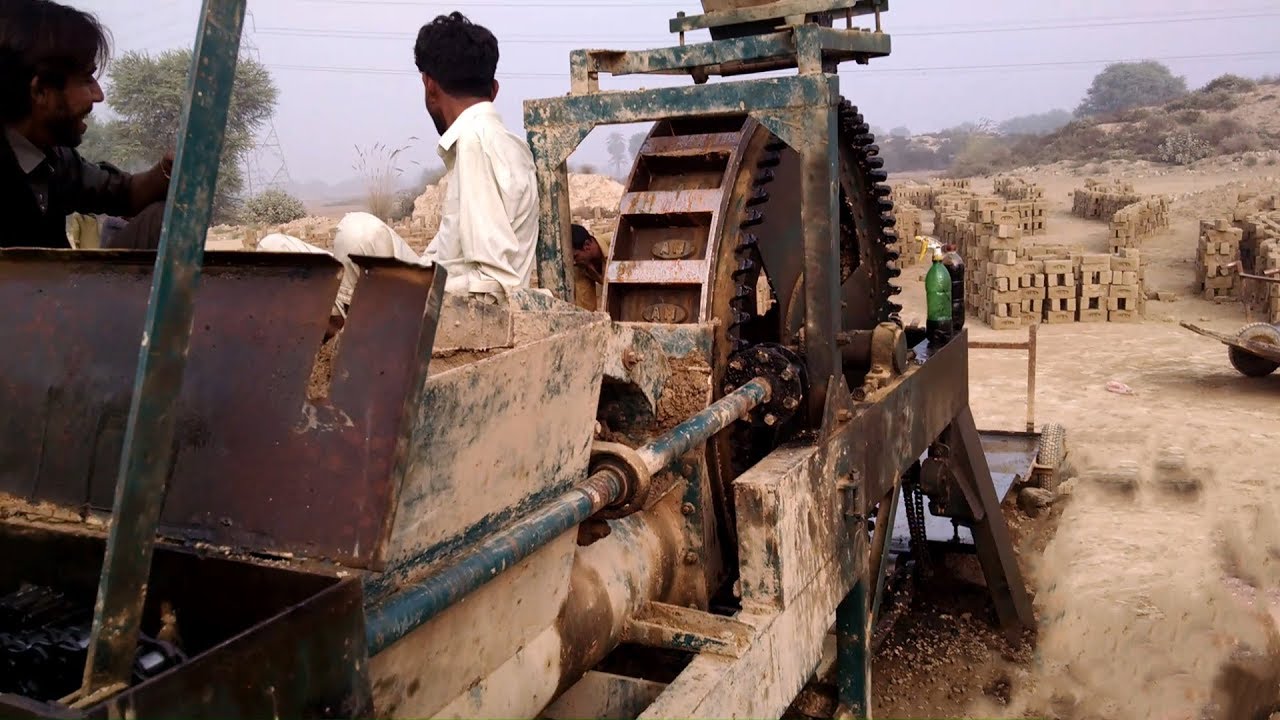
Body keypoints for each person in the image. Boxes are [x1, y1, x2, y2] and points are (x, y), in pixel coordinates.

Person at [0, 0, 173, 251]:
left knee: (159, 219)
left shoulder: (56, 159)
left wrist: (168, 171)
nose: (98, 95)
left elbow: (125, 193)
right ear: (40, 91)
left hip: (60, 286)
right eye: (85, 79)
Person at [570, 223, 606, 311]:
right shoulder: (580, 265)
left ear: (587, 246)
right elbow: (585, 309)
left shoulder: (617, 244)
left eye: (575, 256)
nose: (574, 262)